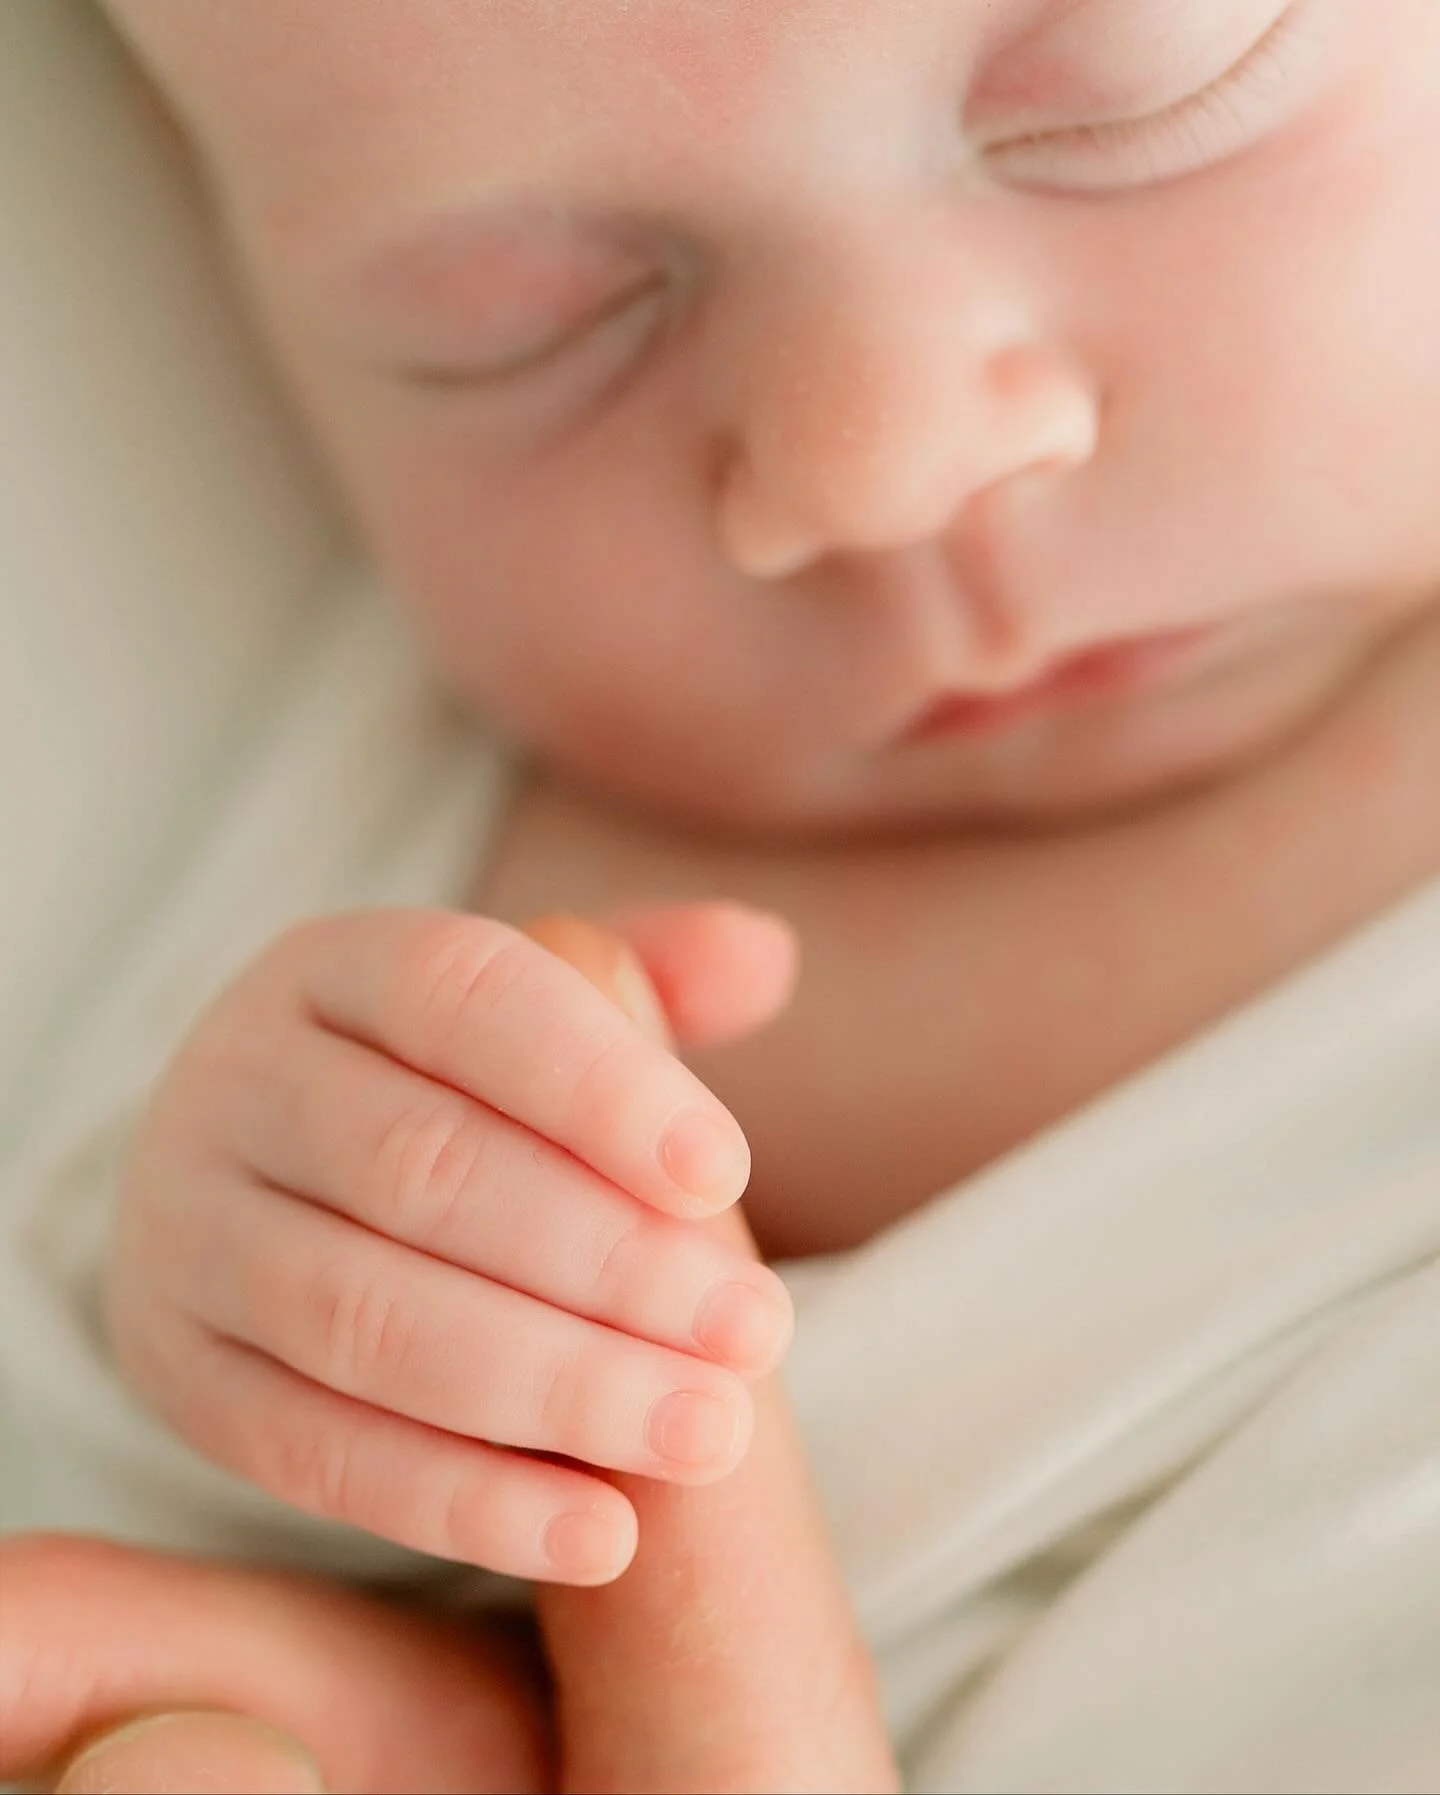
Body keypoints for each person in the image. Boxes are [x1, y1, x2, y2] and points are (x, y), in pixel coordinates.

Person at [4, 0, 1439, 1787]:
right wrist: (248, 1277)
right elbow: (108, 1447)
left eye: (1143, 106)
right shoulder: (417, 885)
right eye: (524, 327)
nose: (881, 461)